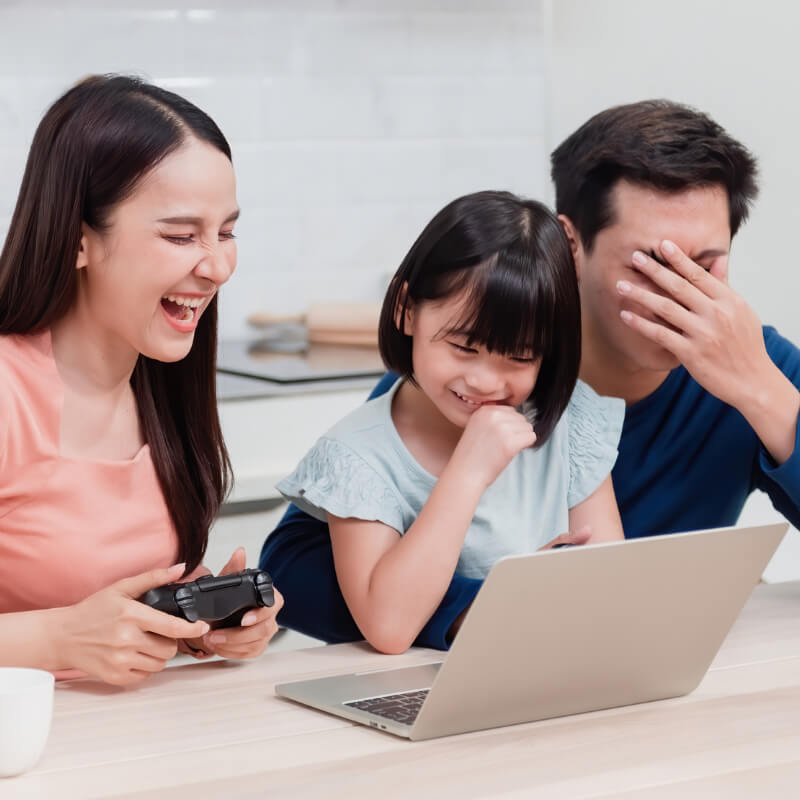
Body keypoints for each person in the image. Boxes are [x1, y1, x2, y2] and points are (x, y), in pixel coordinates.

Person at [261, 99, 800, 649]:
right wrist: (488, 609)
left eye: (704, 265)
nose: (677, 297)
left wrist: (761, 391)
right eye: (650, 266)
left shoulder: (760, 370)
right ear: (571, 245)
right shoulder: (464, 384)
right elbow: (294, 566)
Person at [0, 74, 283, 686]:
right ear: (77, 240)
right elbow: (75, 628)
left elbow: (113, 602)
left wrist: (196, 619)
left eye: (227, 232)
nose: (218, 266)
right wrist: (55, 636)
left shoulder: (158, 382)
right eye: (181, 235)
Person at [276, 191, 624, 653]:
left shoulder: (567, 422)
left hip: (549, 672)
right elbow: (389, 626)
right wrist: (470, 470)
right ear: (406, 309)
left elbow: (612, 589)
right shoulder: (357, 457)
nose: (485, 381)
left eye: (520, 357)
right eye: (463, 347)